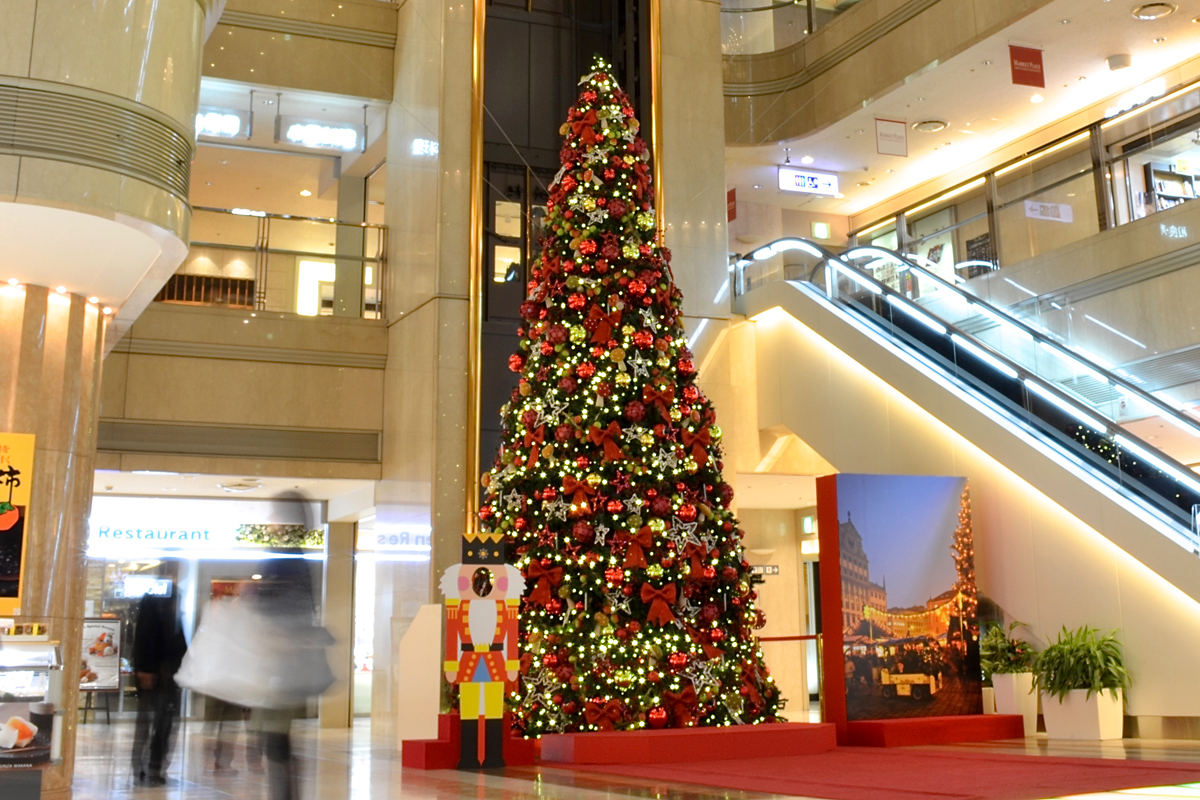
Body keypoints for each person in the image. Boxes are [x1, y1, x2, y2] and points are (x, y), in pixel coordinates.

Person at [130, 569, 188, 787]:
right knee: (151, 722)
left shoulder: (171, 597)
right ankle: (144, 765)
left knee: (163, 723)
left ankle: (153, 766)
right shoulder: (153, 600)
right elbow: (145, 636)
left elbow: (177, 637)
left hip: (168, 673)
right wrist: (145, 668)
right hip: (156, 672)